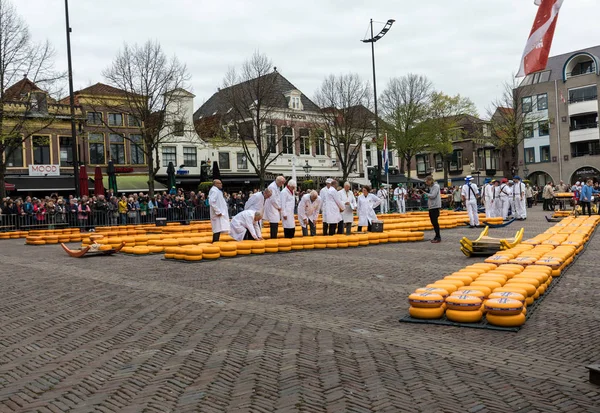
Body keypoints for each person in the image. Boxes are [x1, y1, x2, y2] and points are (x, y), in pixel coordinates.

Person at [422, 176, 441, 243]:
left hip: (435, 206)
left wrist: (426, 194)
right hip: (431, 206)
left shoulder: (436, 186)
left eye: (427, 182)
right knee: (433, 221)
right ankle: (436, 235)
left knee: (435, 222)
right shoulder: (431, 187)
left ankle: (438, 237)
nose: (427, 183)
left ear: (430, 181)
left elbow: (433, 195)